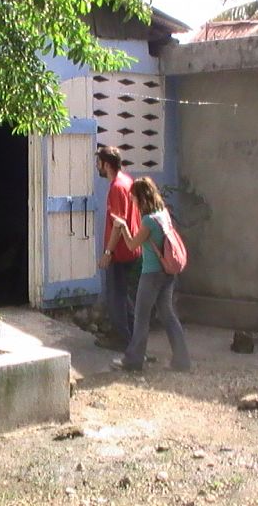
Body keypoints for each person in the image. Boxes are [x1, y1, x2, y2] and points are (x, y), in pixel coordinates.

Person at [112, 177, 191, 371]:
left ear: (141, 197)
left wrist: (122, 226)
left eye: (134, 198)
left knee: (141, 317)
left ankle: (133, 360)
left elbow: (132, 245)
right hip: (167, 272)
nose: (133, 201)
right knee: (168, 314)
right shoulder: (163, 213)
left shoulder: (148, 220)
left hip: (152, 273)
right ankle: (182, 360)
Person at [95, 146, 141, 351]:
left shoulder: (116, 187)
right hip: (129, 249)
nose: (97, 166)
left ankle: (122, 339)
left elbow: (118, 222)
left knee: (116, 297)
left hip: (120, 251)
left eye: (99, 162)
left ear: (106, 164)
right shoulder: (127, 182)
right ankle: (132, 338)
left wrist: (108, 252)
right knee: (123, 296)